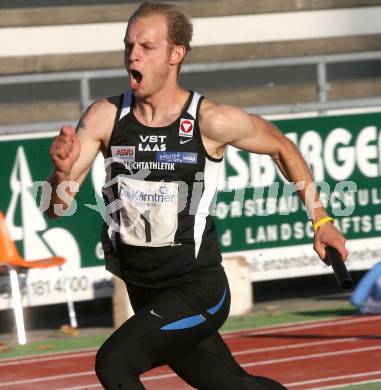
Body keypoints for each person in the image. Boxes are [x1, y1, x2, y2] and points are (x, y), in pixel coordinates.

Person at [46, 2, 348, 389]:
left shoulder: (210, 120)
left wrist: (321, 221)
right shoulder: (105, 117)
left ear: (176, 54)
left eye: (146, 46)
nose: (132, 55)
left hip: (198, 290)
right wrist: (58, 173)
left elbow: (281, 147)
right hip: (144, 290)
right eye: (128, 45)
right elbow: (56, 207)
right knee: (235, 387)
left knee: (115, 364)